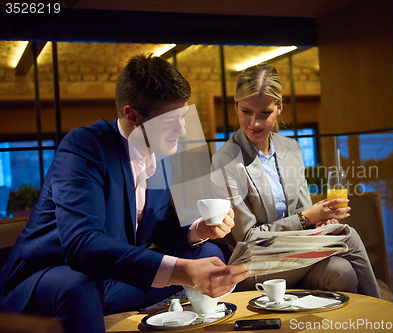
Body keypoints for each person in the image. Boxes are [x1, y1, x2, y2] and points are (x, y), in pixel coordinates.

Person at [0, 54, 250, 333]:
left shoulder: (161, 155)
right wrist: (182, 271)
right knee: (80, 287)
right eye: (170, 120)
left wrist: (199, 229)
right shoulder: (84, 146)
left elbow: (158, 226)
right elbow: (82, 244)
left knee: (209, 251)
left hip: (110, 277)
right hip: (52, 276)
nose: (182, 130)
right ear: (132, 115)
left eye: (184, 116)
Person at [211, 63, 381, 298]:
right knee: (346, 235)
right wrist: (305, 219)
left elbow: (302, 212)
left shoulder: (291, 148)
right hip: (254, 263)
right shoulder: (225, 161)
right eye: (246, 112)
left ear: (279, 108)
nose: (255, 123)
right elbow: (249, 236)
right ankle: (380, 315)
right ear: (236, 107)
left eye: (265, 113)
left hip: (295, 252)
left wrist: (316, 223)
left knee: (342, 272)